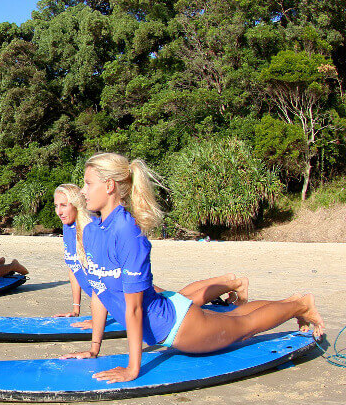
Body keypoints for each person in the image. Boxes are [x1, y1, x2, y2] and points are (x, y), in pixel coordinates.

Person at [62, 153, 324, 383]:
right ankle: (290, 301)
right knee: (233, 318)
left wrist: (133, 368)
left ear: (109, 186)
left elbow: (133, 307)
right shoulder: (94, 230)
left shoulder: (128, 232)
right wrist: (94, 348)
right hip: (168, 311)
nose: (83, 191)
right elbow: (99, 292)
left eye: (88, 183)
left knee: (245, 325)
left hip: (177, 328)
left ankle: (301, 306)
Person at [53, 183, 247, 326]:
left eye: (64, 205)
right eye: (56, 206)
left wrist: (97, 319)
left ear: (76, 204)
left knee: (183, 303)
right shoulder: (68, 229)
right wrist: (75, 307)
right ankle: (227, 280)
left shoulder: (90, 229)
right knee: (178, 298)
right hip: (117, 296)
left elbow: (100, 275)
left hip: (129, 290)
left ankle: (234, 284)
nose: (59, 211)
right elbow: (74, 270)